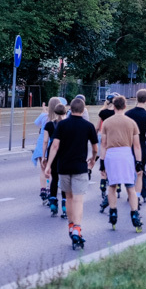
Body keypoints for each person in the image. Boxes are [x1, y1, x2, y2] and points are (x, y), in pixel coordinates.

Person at [44, 98, 98, 249]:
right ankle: (77, 229)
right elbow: (95, 148)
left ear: (70, 109)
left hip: (63, 166)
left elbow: (54, 145)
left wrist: (48, 165)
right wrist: (93, 159)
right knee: (78, 200)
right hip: (80, 167)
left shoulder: (62, 125)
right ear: (83, 109)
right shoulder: (88, 126)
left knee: (68, 197)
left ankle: (70, 225)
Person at [100, 96, 143, 232]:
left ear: (113, 106)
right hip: (126, 154)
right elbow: (136, 146)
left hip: (111, 155)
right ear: (125, 106)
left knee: (112, 186)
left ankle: (113, 213)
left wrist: (102, 162)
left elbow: (103, 144)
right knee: (130, 187)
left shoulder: (107, 122)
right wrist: (138, 162)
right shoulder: (131, 123)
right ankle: (135, 215)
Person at [125, 89, 146, 205]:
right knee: (141, 170)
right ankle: (142, 194)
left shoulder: (128, 114)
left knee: (129, 171)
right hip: (141, 145)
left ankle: (130, 194)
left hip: (128, 146)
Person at [33, 97, 61, 204]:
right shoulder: (60, 119)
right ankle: (50, 189)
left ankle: (43, 189)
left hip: (41, 145)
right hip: (54, 146)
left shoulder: (44, 116)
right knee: (53, 170)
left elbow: (36, 123)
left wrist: (43, 111)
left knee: (43, 169)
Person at [42, 103, 67, 218]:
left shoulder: (49, 125)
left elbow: (45, 141)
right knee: (63, 179)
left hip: (52, 151)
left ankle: (53, 203)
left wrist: (44, 156)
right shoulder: (68, 124)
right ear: (65, 112)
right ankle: (65, 206)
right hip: (64, 151)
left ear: (55, 112)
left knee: (54, 177)